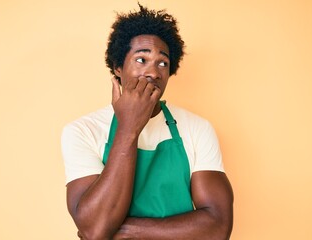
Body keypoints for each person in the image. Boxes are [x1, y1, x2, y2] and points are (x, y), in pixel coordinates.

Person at [61, 3, 234, 240]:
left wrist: (126, 230)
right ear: (118, 67)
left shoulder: (197, 128)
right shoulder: (83, 131)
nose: (153, 72)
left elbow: (217, 227)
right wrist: (129, 128)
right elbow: (95, 228)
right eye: (142, 59)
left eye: (162, 63)